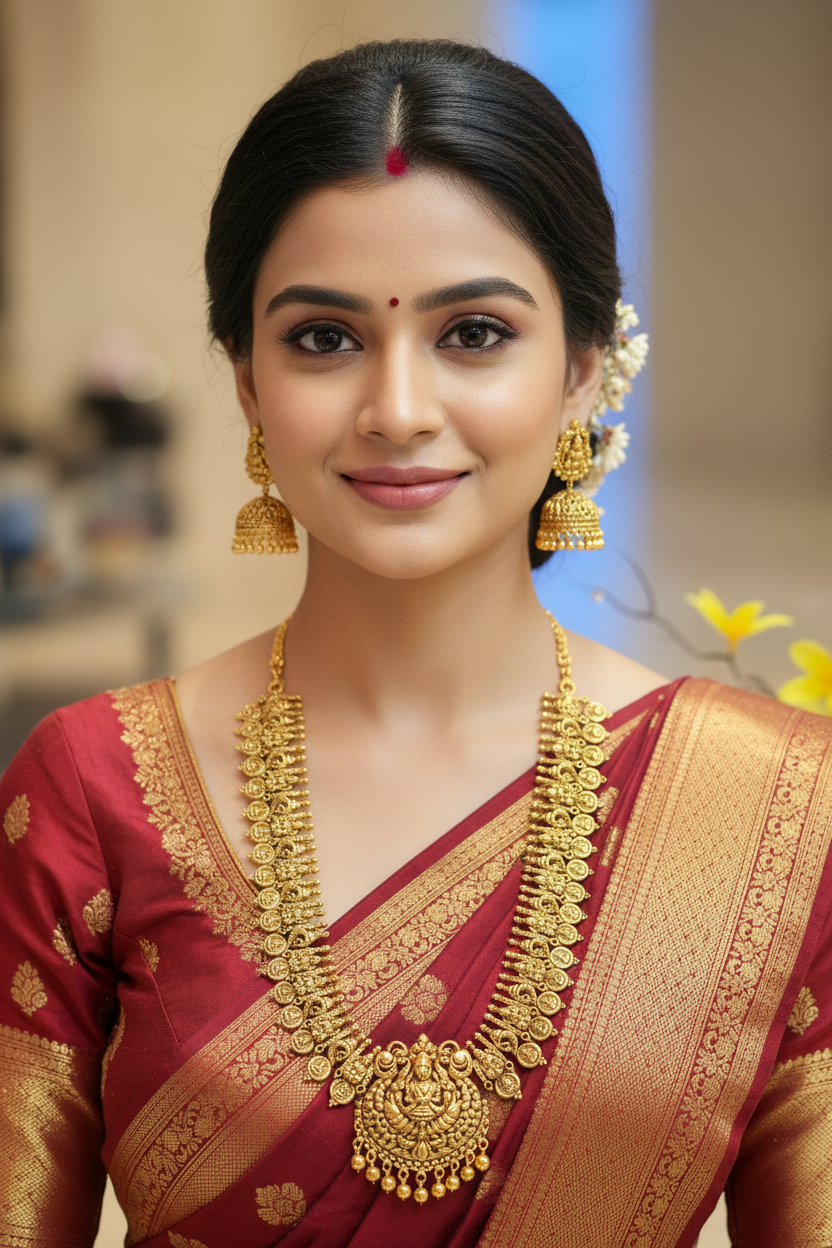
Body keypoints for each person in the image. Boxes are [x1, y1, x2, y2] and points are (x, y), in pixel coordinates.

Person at [0, 39, 829, 1248]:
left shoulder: (771, 809)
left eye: (475, 333)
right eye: (323, 339)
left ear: (585, 372)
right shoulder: (91, 793)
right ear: (243, 381)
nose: (396, 409)